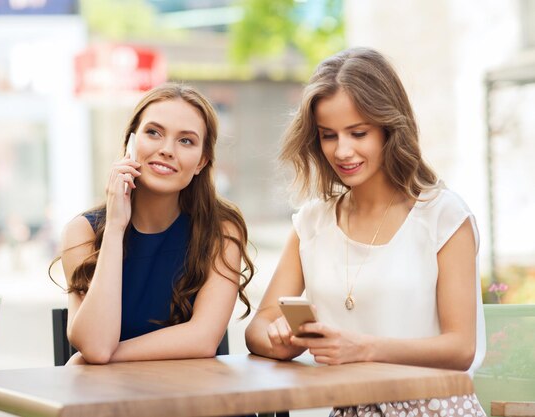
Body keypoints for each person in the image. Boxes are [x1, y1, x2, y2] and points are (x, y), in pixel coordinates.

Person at [245, 47, 486, 417]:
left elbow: (460, 348)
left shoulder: (443, 216)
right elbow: (257, 327)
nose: (342, 151)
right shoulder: (312, 223)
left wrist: (362, 348)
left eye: (358, 133)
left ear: (391, 128)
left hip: (436, 409)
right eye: (328, 135)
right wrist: (283, 341)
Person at [51, 83, 254, 365]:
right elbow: (96, 345)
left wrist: (107, 357)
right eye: (153, 133)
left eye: (186, 141)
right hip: (114, 403)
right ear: (130, 143)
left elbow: (203, 339)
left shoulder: (220, 230)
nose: (166, 150)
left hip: (198, 399)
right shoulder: (83, 232)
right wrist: (114, 227)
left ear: (201, 162)